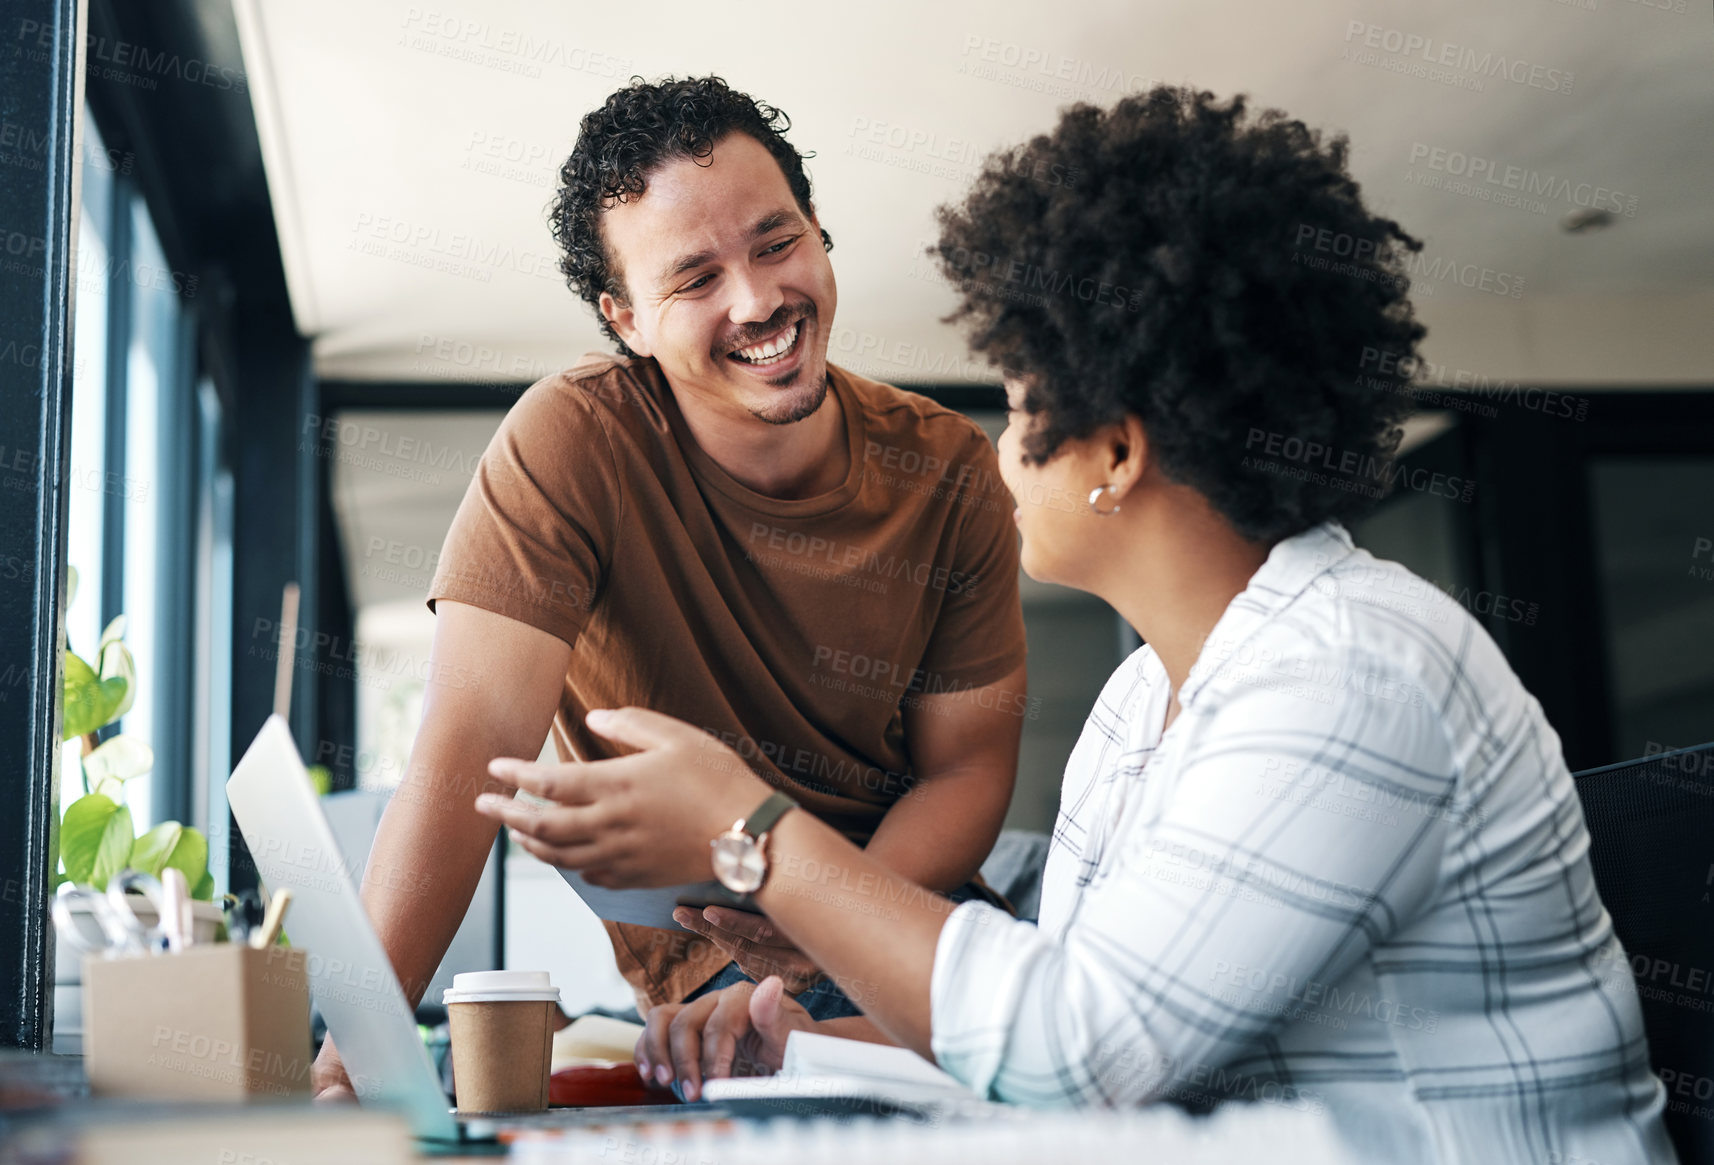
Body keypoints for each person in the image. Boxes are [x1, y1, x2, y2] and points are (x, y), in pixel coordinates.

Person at [475, 86, 1676, 1162]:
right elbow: (1066, 1029)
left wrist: (749, 826)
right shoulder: (1140, 704)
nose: (994, 451)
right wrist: (797, 1048)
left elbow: (1077, 1050)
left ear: (1113, 454)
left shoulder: (1350, 670)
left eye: (1016, 406)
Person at [311, 76, 1029, 1099]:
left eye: (777, 244)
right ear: (627, 318)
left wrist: (810, 916)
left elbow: (965, 773)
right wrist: (358, 1053)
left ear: (819, 234)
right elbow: (470, 745)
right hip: (710, 964)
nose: (757, 300)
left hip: (901, 917)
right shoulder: (574, 443)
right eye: (694, 278)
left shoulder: (949, 466)